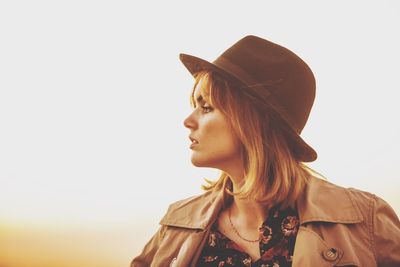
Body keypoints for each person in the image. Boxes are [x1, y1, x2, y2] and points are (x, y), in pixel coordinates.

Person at [131, 35, 400, 267]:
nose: (188, 121)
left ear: (253, 122)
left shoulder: (366, 221)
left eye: (207, 107)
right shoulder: (176, 226)